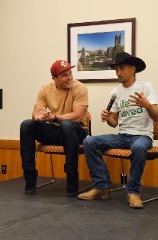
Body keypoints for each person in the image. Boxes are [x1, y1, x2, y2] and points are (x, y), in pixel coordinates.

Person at [78, 52, 158, 209]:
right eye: (116, 69)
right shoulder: (116, 91)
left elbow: (156, 117)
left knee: (138, 146)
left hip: (142, 136)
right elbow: (114, 123)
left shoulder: (146, 87)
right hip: (123, 136)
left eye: (122, 68)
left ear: (132, 69)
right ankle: (102, 186)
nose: (118, 73)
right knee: (89, 141)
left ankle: (133, 192)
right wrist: (107, 117)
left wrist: (147, 105)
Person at [20, 60, 88, 196]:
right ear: (54, 78)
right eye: (64, 75)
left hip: (76, 132)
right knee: (27, 124)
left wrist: (54, 117)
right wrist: (40, 115)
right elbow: (36, 111)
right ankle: (29, 174)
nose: (69, 77)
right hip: (56, 131)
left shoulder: (80, 88)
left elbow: (78, 116)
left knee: (67, 125)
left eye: (70, 73)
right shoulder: (45, 89)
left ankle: (71, 176)